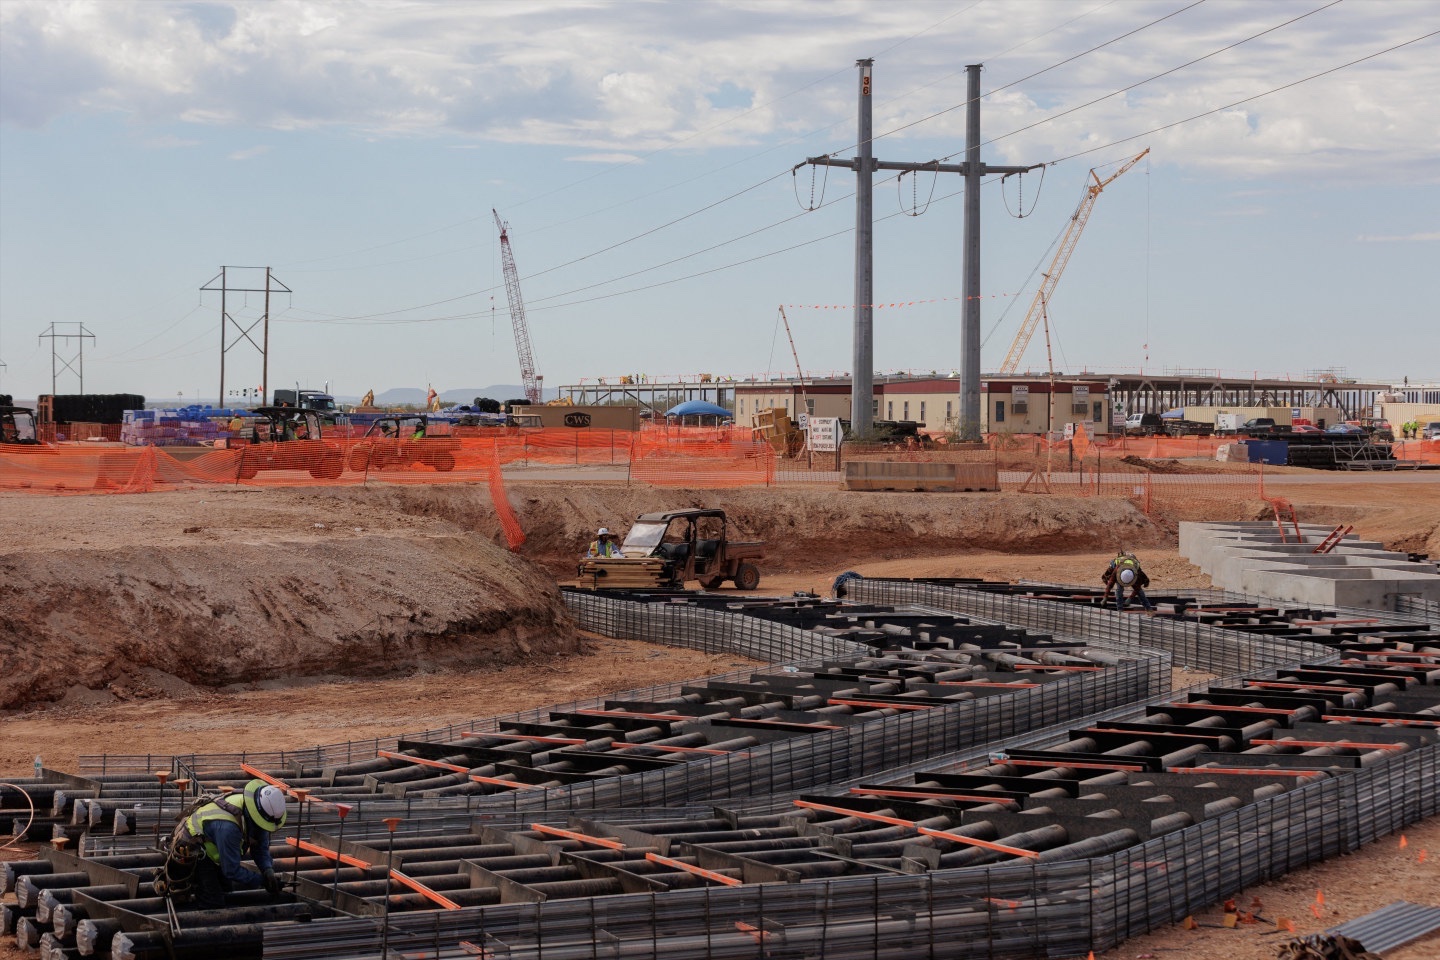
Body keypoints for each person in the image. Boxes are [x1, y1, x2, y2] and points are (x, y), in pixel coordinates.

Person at [172, 778, 287, 908]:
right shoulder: (228, 828)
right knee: (213, 901)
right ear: (256, 814)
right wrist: (261, 881)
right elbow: (231, 870)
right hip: (194, 848)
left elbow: (260, 847)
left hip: (215, 845)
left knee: (226, 888)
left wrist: (267, 869)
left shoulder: (255, 811)